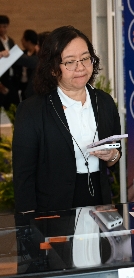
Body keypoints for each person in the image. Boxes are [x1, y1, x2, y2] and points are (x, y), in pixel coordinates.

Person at [12, 26, 122, 213]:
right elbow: (24, 176)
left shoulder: (104, 102)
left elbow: (116, 158)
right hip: (53, 210)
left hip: (99, 204)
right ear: (53, 69)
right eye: (70, 62)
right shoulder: (33, 110)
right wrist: (28, 223)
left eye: (85, 58)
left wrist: (112, 155)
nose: (80, 67)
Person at [0, 15, 20, 110]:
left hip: (12, 78)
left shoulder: (10, 41)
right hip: (1, 78)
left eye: (4, 27)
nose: (2, 29)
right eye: (0, 26)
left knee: (14, 105)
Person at [15, 29, 38, 101]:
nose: (21, 41)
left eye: (23, 39)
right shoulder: (23, 53)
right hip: (21, 85)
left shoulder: (37, 56)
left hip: (32, 86)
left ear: (28, 41)